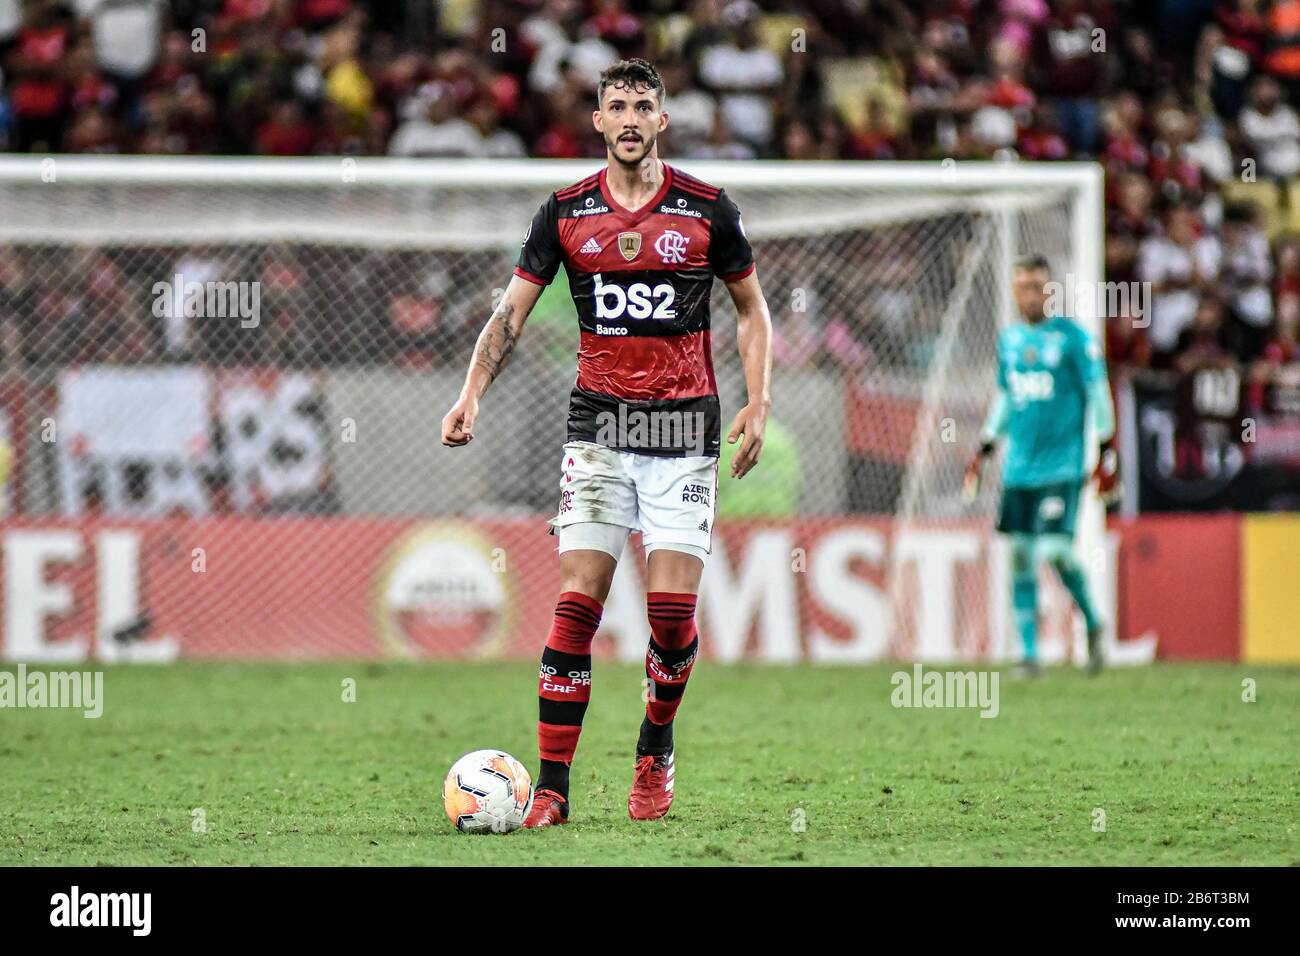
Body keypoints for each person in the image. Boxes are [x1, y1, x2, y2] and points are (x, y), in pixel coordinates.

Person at [440, 58, 773, 825]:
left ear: (663, 120)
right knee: (576, 600)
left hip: (685, 432)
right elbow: (510, 316)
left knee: (667, 616)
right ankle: (552, 791)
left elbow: (751, 310)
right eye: (616, 105)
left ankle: (655, 742)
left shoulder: (707, 209)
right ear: (598, 121)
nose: (629, 117)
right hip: (600, 430)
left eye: (643, 105)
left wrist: (759, 401)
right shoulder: (563, 213)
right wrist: (470, 392)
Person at [965, 256, 1117, 676]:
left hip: (1062, 467)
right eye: (1023, 286)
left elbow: (1098, 392)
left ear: (1051, 291)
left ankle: (1092, 619)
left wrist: (1106, 448)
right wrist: (986, 443)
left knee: (1055, 551)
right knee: (1019, 556)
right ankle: (1029, 655)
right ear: (1014, 291)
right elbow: (1006, 397)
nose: (1031, 294)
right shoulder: (1010, 341)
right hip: (1019, 469)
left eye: (1038, 286)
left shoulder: (1074, 340)